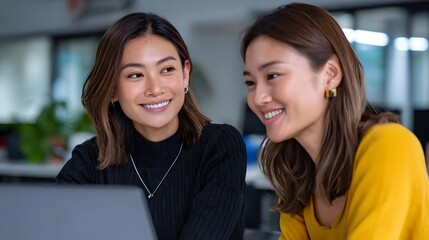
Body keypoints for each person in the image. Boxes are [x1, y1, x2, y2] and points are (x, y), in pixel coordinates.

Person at [240, 2, 429, 239]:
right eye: (250, 82)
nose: (258, 98)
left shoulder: (390, 145)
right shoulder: (298, 173)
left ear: (330, 75)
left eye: (273, 75)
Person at [56, 12, 247, 240]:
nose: (155, 89)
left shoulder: (220, 146)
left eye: (167, 70)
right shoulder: (91, 158)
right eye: (135, 74)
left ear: (185, 74)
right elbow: (51, 226)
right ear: (113, 89)